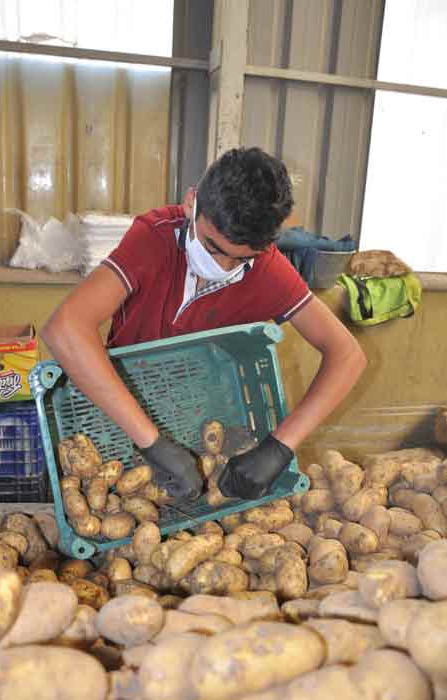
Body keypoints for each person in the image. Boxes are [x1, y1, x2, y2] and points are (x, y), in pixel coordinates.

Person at [42, 147, 366, 502]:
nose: (224, 267)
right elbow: (66, 328)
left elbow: (347, 355)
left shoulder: (267, 268)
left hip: (204, 426)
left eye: (241, 258)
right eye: (212, 247)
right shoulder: (155, 238)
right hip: (120, 411)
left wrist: (279, 447)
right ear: (191, 202)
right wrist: (153, 444)